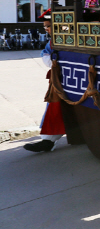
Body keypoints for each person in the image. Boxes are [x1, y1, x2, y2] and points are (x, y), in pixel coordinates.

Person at [24, 10, 67, 152]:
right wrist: (51, 61)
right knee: (55, 106)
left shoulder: (70, 38)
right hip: (60, 79)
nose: (46, 29)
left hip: (73, 79)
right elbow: (45, 52)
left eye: (48, 26)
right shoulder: (53, 40)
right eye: (45, 27)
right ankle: (48, 141)